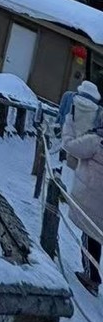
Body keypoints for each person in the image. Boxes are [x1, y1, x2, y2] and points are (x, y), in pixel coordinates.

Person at [64, 122, 103, 294]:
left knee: (90, 235)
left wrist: (68, 128)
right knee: (94, 234)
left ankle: (91, 276)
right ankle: (92, 275)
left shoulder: (96, 141)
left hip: (92, 198)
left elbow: (71, 147)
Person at [59, 79, 101, 165]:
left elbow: (60, 119)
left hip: (67, 144)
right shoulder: (98, 111)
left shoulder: (69, 98)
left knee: (65, 170)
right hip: (84, 150)